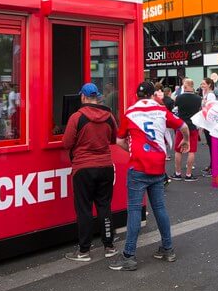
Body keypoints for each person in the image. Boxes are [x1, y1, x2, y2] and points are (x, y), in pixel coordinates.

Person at [110, 82, 189, 271]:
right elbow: (183, 125)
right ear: (153, 94)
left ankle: (129, 255)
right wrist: (185, 140)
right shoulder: (160, 110)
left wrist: (130, 151)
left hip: (138, 166)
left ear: (136, 95)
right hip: (158, 166)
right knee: (160, 208)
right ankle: (167, 249)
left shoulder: (130, 112)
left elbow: (119, 140)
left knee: (135, 211)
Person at [62, 83, 118, 261]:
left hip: (84, 168)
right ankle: (109, 246)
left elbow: (66, 143)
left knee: (84, 209)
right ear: (98, 97)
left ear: (84, 97)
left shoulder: (77, 117)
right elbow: (113, 139)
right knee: (104, 206)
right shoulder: (109, 116)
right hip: (106, 167)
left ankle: (84, 251)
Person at [173, 79, 203, 181]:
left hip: (181, 126)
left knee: (178, 150)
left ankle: (177, 173)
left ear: (185, 87)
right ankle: (188, 175)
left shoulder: (179, 98)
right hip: (193, 126)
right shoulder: (198, 98)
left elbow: (175, 109)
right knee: (192, 150)